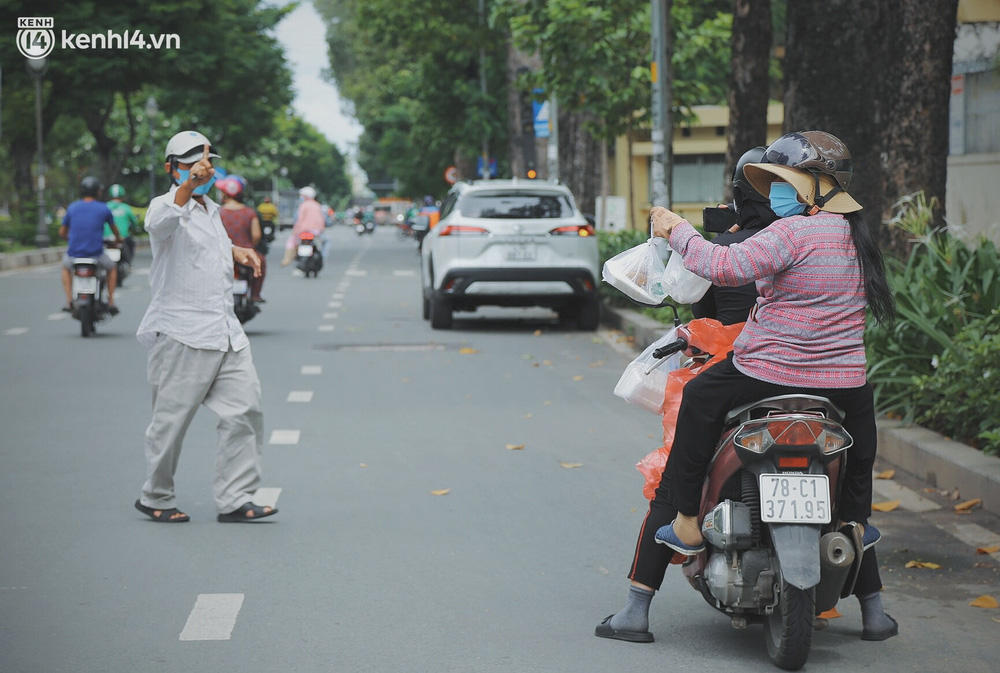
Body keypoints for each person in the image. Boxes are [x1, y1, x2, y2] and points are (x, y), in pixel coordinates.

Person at [597, 131, 898, 643]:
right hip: (843, 381)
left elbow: (721, 267)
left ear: (816, 187)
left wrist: (676, 229)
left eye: (786, 181)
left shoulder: (793, 234)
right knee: (860, 444)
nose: (778, 191)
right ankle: (853, 523)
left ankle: (689, 523)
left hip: (766, 372)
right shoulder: (855, 233)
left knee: (697, 400)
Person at [134, 130, 276, 524]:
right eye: (192, 162)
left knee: (245, 410)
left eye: (207, 160)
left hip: (225, 331)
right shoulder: (164, 205)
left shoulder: (210, 209)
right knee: (171, 423)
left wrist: (237, 250)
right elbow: (163, 225)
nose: (203, 167)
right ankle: (156, 495)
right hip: (183, 333)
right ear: (171, 168)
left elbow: (204, 245)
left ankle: (235, 498)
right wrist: (188, 187)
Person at [59, 176, 121, 314]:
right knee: (112, 268)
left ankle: (69, 300)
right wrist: (118, 240)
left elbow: (62, 232)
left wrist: (69, 238)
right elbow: (115, 230)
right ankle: (111, 301)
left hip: (74, 255)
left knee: (65, 268)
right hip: (96, 254)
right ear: (98, 192)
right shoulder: (103, 208)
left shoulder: (72, 207)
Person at [218, 178, 266, 303]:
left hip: (221, 254)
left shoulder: (218, 212)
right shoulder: (250, 213)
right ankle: (255, 294)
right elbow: (256, 236)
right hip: (247, 256)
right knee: (261, 262)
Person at [281, 186, 329, 266]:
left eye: (302, 195)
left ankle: (287, 259)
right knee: (326, 242)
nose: (301, 197)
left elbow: (298, 219)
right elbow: (323, 220)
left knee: (292, 241)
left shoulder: (303, 205)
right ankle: (323, 259)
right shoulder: (317, 206)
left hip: (302, 231)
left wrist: (295, 231)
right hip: (316, 232)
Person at [106, 184, 139, 267]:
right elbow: (134, 222)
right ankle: (129, 263)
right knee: (131, 243)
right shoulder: (126, 208)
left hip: (105, 239)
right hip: (122, 239)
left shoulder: (105, 207)